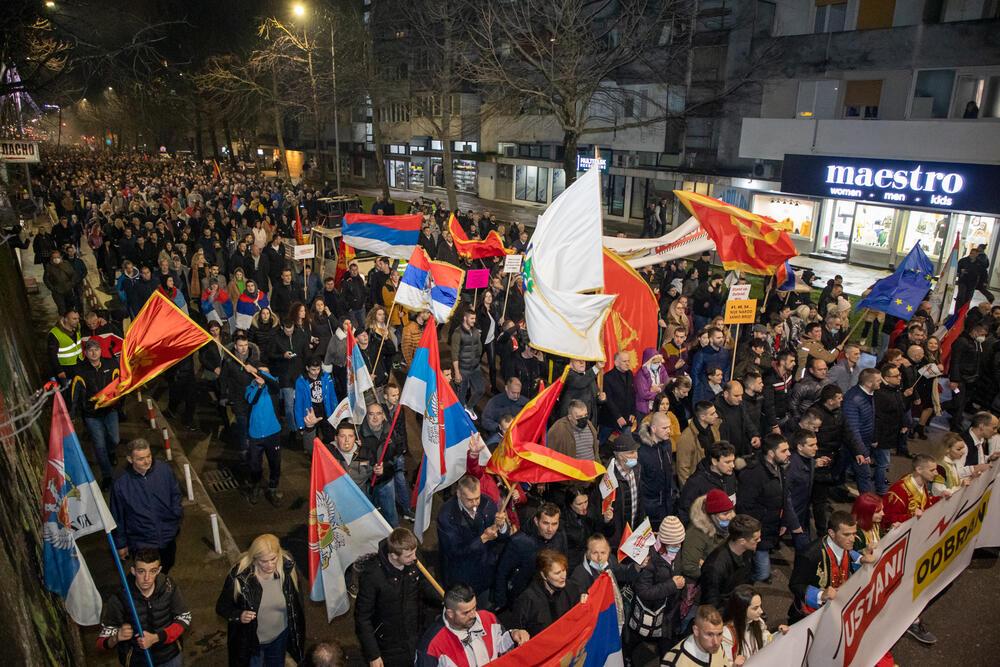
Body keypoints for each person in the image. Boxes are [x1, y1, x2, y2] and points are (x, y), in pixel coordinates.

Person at [215, 534, 305, 667]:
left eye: (273, 559)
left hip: (279, 638)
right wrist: (238, 615)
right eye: (263, 561)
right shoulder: (240, 576)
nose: (269, 565)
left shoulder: (288, 569)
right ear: (254, 558)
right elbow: (222, 607)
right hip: (252, 642)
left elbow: (298, 605)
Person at [355, 527, 439, 667]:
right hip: (389, 644)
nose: (414, 558)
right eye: (408, 556)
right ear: (393, 555)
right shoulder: (372, 577)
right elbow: (362, 618)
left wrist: (447, 599)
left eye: (414, 552)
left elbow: (425, 584)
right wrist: (373, 654)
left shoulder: (414, 558)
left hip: (415, 633)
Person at [97, 548, 191, 666]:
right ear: (133, 571)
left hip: (170, 656)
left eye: (152, 571)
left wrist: (156, 638)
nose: (147, 578)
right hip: (138, 661)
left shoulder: (169, 587)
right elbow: (101, 643)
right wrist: (116, 638)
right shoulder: (120, 598)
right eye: (141, 571)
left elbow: (184, 617)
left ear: (159, 570)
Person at [110, 439, 183, 573]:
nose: (147, 461)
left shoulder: (164, 469)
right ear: (130, 459)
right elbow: (117, 515)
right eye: (141, 459)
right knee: (148, 574)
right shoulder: (121, 483)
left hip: (167, 534)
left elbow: (175, 493)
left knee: (167, 564)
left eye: (149, 456)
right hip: (142, 540)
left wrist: (175, 514)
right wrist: (121, 544)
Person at [788, 511, 875, 623]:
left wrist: (861, 559)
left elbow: (849, 553)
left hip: (837, 610)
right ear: (831, 533)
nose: (853, 539)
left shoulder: (843, 544)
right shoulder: (808, 555)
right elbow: (795, 584)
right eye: (847, 534)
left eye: (854, 533)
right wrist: (821, 595)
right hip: (810, 614)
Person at [736, 434, 800, 583]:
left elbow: (783, 496)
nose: (789, 453)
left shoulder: (779, 467)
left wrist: (783, 521)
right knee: (762, 573)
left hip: (770, 527)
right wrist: (758, 527)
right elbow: (745, 506)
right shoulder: (753, 474)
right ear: (771, 453)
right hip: (758, 531)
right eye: (784, 451)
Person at [436, 475, 509, 604]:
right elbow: (454, 552)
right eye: (470, 500)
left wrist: (502, 526)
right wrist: (483, 539)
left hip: (486, 571)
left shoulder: (487, 503)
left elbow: (503, 538)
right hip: (461, 575)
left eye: (477, 498)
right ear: (459, 494)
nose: (475, 503)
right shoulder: (447, 515)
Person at [415, 584, 528, 665]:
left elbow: (499, 646)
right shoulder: (431, 645)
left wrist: (513, 635)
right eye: (466, 612)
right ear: (450, 613)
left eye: (474, 608)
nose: (474, 615)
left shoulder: (488, 618)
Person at [494, 503, 567, 610]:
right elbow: (502, 572)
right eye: (546, 523)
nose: (550, 529)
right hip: (522, 599)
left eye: (554, 523)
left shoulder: (560, 536)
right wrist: (501, 602)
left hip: (551, 596)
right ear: (536, 521)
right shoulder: (518, 542)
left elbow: (564, 562)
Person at [71, 339, 119, 487]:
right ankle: (107, 476)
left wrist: (119, 405)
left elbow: (120, 384)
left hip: (110, 411)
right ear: (86, 353)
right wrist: (72, 415)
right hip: (92, 415)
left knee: (115, 439)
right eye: (90, 350)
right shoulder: (80, 371)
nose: (94, 353)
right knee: (99, 446)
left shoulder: (111, 365)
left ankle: (112, 452)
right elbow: (75, 394)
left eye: (96, 349)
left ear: (100, 351)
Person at [698, 514, 761, 610]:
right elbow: (711, 604)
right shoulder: (715, 566)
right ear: (742, 541)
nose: (759, 540)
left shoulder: (747, 550)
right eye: (756, 539)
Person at [509, 549, 576, 637]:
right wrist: (517, 632)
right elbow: (517, 629)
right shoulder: (527, 599)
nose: (563, 576)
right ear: (543, 575)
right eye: (557, 573)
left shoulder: (571, 588)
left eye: (564, 570)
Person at [679, 490, 736, 587]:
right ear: (712, 516)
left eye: (731, 511)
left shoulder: (724, 526)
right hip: (705, 584)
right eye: (725, 514)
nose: (730, 517)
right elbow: (689, 566)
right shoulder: (696, 534)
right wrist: (715, 576)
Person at [359, 403, 402, 528]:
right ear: (366, 416)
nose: (375, 417)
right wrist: (372, 468)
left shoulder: (390, 432)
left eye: (378, 413)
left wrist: (386, 467)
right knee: (370, 516)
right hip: (367, 483)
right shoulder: (359, 436)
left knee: (391, 514)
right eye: (371, 414)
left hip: (386, 481)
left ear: (383, 416)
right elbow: (357, 462)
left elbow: (396, 455)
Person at [245, 371, 284, 505]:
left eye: (265, 372)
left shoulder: (272, 388)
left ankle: (272, 488)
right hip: (256, 434)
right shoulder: (250, 388)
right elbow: (252, 400)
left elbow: (275, 384)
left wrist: (259, 372)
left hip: (273, 433)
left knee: (275, 463)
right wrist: (259, 386)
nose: (262, 375)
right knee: (254, 464)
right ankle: (255, 486)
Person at [721, 585, 787, 664]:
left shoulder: (757, 621)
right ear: (741, 609)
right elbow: (724, 663)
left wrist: (779, 634)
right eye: (755, 608)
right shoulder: (727, 634)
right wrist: (735, 665)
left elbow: (766, 641)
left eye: (760, 606)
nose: (761, 611)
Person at [872, 364, 911, 492]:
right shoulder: (881, 394)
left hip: (890, 432)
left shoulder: (894, 390)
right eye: (896, 376)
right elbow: (877, 418)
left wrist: (904, 423)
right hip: (882, 434)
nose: (900, 378)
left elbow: (900, 408)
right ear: (887, 378)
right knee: (883, 463)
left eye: (899, 375)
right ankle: (881, 489)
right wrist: (875, 437)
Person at [785, 429, 825, 550]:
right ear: (800, 447)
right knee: (805, 548)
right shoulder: (791, 467)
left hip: (803, 512)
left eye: (816, 444)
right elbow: (786, 495)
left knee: (804, 548)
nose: (816, 448)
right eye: (811, 445)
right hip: (793, 514)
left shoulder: (810, 461)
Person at [638, 411, 678, 527]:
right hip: (651, 507)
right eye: (665, 428)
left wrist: (673, 493)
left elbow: (670, 471)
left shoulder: (667, 444)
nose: (669, 431)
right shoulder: (642, 451)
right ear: (654, 429)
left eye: (669, 427)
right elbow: (640, 480)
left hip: (668, 504)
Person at [294, 357, 338, 456]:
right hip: (311, 413)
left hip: (325, 411)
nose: (316, 372)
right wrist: (300, 425)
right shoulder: (301, 381)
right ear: (307, 368)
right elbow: (298, 404)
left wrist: (336, 414)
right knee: (312, 440)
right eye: (313, 369)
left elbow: (332, 396)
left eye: (318, 369)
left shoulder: (326, 377)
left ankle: (328, 456)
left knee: (329, 436)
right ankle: (314, 458)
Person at [660, 605, 731, 667]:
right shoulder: (676, 662)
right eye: (709, 634)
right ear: (696, 630)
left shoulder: (717, 647)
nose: (716, 642)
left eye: (719, 634)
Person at [948, 322, 986, 430]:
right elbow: (955, 361)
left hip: (969, 379)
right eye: (982, 334)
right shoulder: (962, 342)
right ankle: (936, 408)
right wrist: (954, 379)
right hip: (959, 378)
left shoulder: (976, 343)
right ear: (974, 331)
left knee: (962, 402)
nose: (983, 337)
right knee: (957, 402)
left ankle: (955, 423)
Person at [675, 401, 722, 486]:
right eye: (712, 414)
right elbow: (683, 468)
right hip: (698, 485)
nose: (716, 415)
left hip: (713, 480)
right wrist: (689, 491)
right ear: (702, 417)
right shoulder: (687, 437)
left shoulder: (714, 429)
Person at [714, 381, 759, 459]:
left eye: (741, 395)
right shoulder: (715, 410)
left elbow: (747, 421)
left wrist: (754, 435)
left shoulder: (741, 404)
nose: (740, 399)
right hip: (727, 454)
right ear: (726, 394)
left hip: (742, 450)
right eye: (736, 395)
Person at [546, 399, 600, 464]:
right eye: (579, 417)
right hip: (574, 471)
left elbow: (595, 451)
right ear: (570, 417)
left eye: (585, 415)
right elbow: (550, 453)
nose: (584, 419)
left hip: (592, 469)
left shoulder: (590, 425)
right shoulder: (559, 429)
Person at [600, 351, 637, 442]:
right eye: (624, 361)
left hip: (626, 417)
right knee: (600, 442)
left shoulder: (630, 374)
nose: (628, 363)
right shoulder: (608, 377)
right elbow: (609, 400)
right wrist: (618, 416)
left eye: (628, 361)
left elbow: (632, 395)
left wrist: (633, 412)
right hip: (610, 418)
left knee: (628, 443)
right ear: (616, 363)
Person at [691, 328, 731, 406]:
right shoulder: (701, 354)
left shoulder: (725, 352)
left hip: (720, 387)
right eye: (718, 338)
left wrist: (725, 383)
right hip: (704, 390)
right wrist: (698, 389)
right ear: (711, 339)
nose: (721, 340)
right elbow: (695, 373)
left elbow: (727, 369)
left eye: (722, 337)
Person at [761, 351, 796, 435]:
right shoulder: (769, 378)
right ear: (782, 362)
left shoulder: (789, 373)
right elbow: (768, 404)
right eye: (791, 361)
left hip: (785, 416)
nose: (794, 363)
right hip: (773, 421)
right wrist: (774, 425)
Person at [48, 308, 82, 383]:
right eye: (74, 319)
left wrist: (100, 320)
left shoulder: (77, 326)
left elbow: (90, 322)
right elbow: (52, 356)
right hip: (65, 368)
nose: (77, 321)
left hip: (79, 364)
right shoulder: (54, 334)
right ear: (65, 319)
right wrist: (59, 371)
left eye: (78, 318)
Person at [636, 348, 670, 417]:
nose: (657, 364)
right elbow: (644, 394)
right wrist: (657, 392)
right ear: (648, 362)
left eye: (658, 362)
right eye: (655, 363)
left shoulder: (661, 369)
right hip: (645, 408)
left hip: (657, 407)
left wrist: (658, 390)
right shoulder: (641, 374)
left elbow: (666, 383)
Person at [44, 248, 79, 315]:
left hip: (68, 290)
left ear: (60, 257)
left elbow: (73, 274)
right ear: (51, 258)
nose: (56, 259)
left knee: (70, 307)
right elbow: (46, 280)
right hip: (58, 292)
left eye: (58, 257)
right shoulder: (49, 267)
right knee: (62, 308)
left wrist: (72, 284)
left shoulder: (66, 264)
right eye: (54, 257)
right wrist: (53, 288)